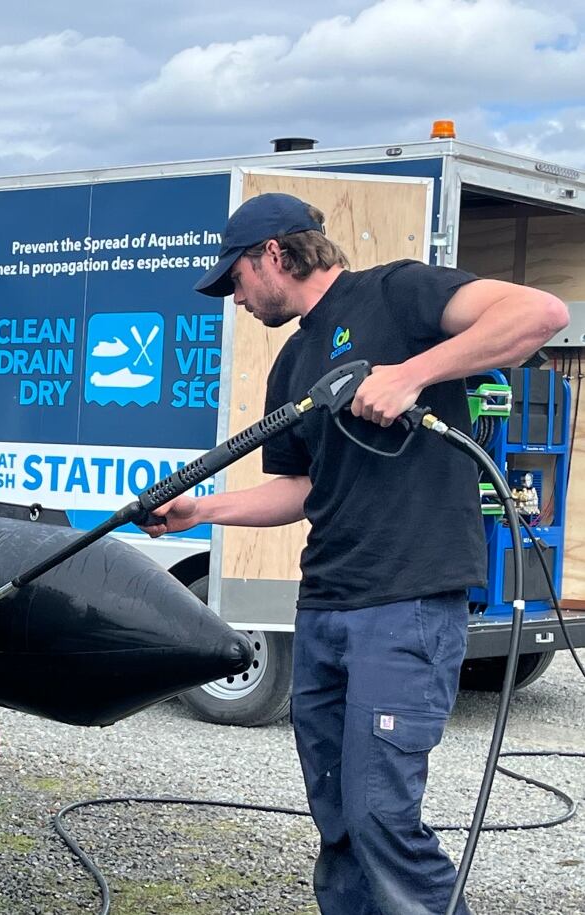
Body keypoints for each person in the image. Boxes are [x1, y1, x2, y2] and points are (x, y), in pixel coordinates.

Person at [141, 192, 569, 915]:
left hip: (406, 606)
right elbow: (303, 488)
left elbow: (540, 315)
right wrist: (201, 510)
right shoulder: (293, 362)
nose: (235, 298)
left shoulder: (397, 293)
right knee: (339, 820)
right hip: (326, 609)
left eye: (236, 280)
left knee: (383, 819)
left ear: (273, 254)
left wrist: (413, 373)